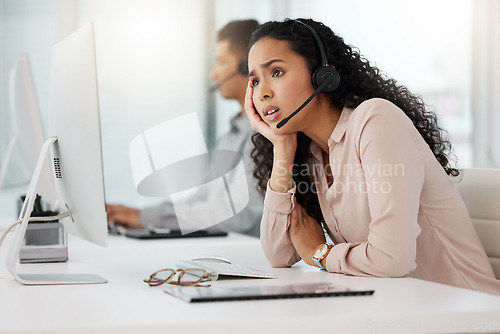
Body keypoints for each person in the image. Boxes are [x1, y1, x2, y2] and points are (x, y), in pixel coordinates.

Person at [245, 18, 500, 295]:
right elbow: (278, 255)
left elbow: (393, 259)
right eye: (255, 81)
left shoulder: (375, 120)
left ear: (322, 75)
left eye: (277, 72)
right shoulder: (313, 154)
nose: (263, 92)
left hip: (468, 309)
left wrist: (321, 253)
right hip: (398, 308)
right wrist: (282, 148)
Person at [107, 19, 263, 237]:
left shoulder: (263, 135)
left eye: (220, 61)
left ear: (245, 66)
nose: (213, 74)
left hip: (248, 256)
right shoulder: (231, 135)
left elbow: (240, 213)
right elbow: (202, 199)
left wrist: (146, 218)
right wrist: (144, 216)